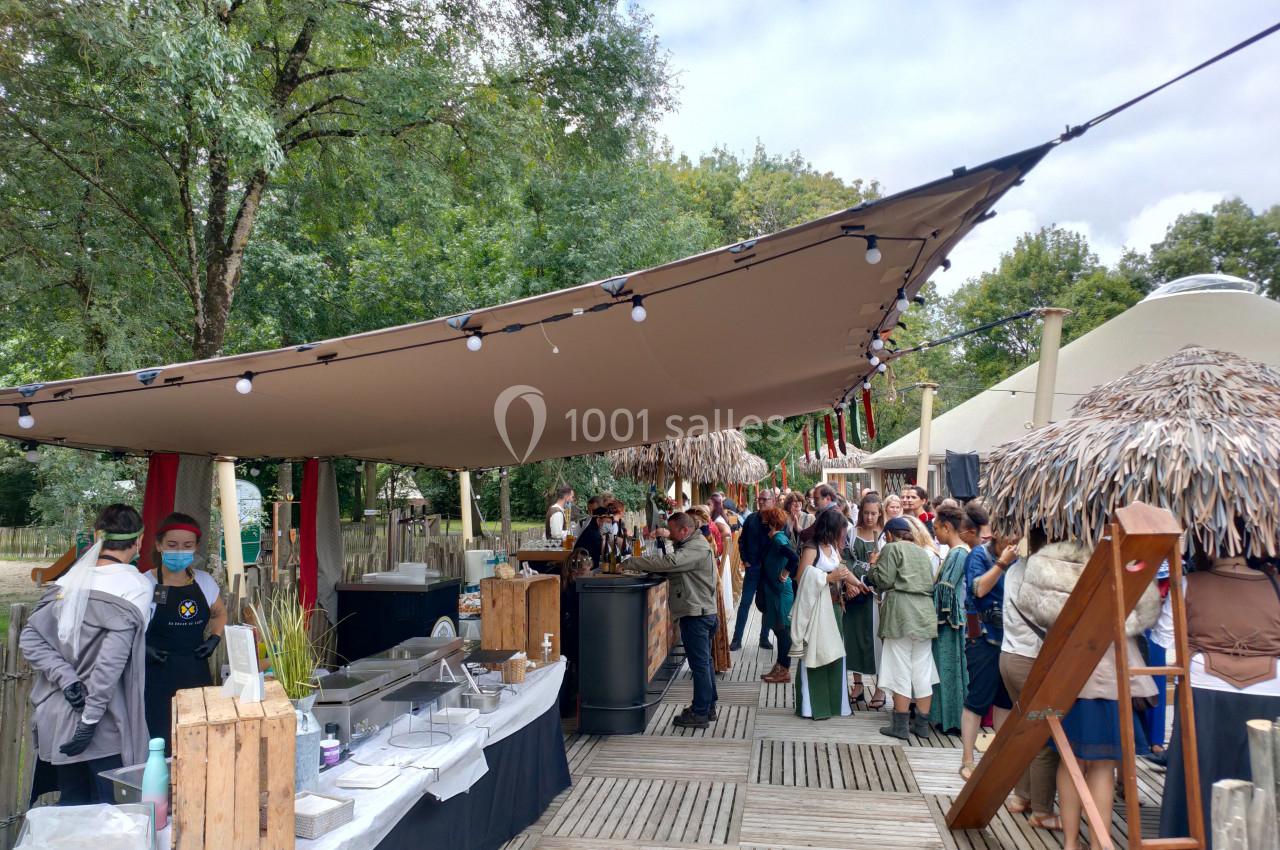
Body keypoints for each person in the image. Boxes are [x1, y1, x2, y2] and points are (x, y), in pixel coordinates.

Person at [1019, 539, 1160, 850]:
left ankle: (1071, 843)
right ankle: (1098, 843)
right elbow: (1147, 613)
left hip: (1067, 674)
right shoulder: (1124, 563)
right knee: (1101, 766)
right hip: (1111, 676)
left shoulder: (1047, 563)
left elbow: (1032, 610)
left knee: (1071, 763)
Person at [20, 504, 151, 805]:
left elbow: (31, 638)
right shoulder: (136, 586)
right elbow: (110, 664)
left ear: (97, 536)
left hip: (57, 718)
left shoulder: (67, 583)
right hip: (105, 724)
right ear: (140, 540)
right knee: (112, 810)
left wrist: (66, 679)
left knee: (72, 803)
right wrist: (90, 719)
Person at [1156, 543, 1280, 842]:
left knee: (1200, 769)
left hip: (1204, 688)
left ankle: (1193, 837)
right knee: (1261, 773)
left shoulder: (1188, 584)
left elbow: (1164, 636)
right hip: (1270, 688)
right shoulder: (1275, 585)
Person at [142, 513, 228, 751]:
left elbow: (220, 613)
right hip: (156, 675)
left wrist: (214, 638)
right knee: (160, 742)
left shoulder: (204, 582)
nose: (180, 551)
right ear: (159, 545)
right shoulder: (144, 584)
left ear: (195, 548)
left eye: (187, 546)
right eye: (172, 545)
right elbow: (127, 628)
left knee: (198, 739)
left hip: (195, 672)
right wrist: (141, 648)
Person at [630, 512, 720, 728]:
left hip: (697, 614)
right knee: (704, 663)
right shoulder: (693, 543)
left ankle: (700, 713)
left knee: (700, 665)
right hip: (700, 611)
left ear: (684, 530)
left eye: (672, 531)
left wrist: (633, 562)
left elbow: (671, 562)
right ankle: (707, 707)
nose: (670, 535)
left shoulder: (695, 547)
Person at [959, 503, 1017, 779]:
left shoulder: (1019, 559)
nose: (1014, 543)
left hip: (1009, 639)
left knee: (1005, 702)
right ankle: (967, 760)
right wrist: (1002, 563)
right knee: (977, 699)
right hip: (981, 636)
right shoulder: (978, 556)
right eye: (1010, 537)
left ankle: (998, 759)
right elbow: (979, 588)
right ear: (997, 535)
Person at [871, 516, 939, 738]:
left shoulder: (891, 548)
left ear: (890, 534)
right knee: (923, 669)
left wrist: (873, 566)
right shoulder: (923, 552)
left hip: (901, 612)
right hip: (924, 612)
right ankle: (921, 726)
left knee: (899, 667)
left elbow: (884, 580)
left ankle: (900, 726)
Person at [790, 510, 854, 720]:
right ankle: (813, 707)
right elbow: (801, 578)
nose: (843, 534)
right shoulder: (811, 547)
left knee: (835, 654)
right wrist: (828, 577)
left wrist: (858, 584)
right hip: (817, 609)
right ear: (831, 529)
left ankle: (836, 705)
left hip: (835, 608)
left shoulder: (833, 547)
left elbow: (842, 570)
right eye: (840, 530)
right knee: (815, 654)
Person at [931, 505, 970, 735]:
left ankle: (952, 719)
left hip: (949, 621)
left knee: (949, 669)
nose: (935, 533)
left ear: (947, 527)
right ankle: (947, 717)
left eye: (936, 528)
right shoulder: (957, 552)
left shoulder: (958, 553)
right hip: (950, 619)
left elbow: (945, 589)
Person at [843, 493, 884, 707]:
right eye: (866, 513)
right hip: (854, 595)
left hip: (876, 596)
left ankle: (880, 687)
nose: (869, 517)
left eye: (874, 513)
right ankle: (857, 684)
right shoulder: (852, 533)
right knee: (855, 638)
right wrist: (850, 583)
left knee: (877, 640)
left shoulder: (885, 536)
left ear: (880, 514)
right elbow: (845, 558)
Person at [757, 507, 799, 684]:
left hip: (780, 592)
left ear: (772, 522)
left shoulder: (778, 539)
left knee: (782, 631)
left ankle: (784, 669)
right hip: (774, 591)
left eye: (766, 519)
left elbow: (794, 558)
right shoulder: (776, 538)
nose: (763, 522)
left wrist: (785, 573)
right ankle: (781, 666)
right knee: (778, 628)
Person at [688, 506, 731, 674]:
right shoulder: (707, 529)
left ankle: (709, 663)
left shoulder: (705, 532)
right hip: (713, 581)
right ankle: (713, 663)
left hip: (710, 585)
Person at [732, 491, 775, 651]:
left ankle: (764, 638)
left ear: (773, 500)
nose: (761, 502)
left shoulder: (777, 520)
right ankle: (737, 639)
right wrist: (745, 560)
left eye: (765, 499)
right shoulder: (751, 519)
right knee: (745, 603)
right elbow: (741, 541)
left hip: (769, 570)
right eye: (760, 499)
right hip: (753, 568)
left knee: (767, 604)